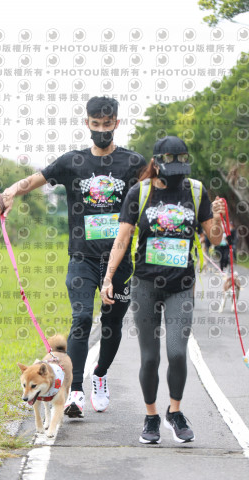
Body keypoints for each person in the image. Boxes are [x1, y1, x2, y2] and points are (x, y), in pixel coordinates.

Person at [0, 96, 146, 418]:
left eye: (107, 124)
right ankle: (75, 392)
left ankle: (99, 375)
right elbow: (34, 180)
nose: (102, 130)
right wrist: (8, 195)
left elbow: (159, 190)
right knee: (83, 319)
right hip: (82, 257)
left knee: (112, 324)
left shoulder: (133, 163)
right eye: (96, 124)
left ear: (117, 122)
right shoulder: (72, 162)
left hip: (120, 261)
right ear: (87, 123)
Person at [100, 136, 226, 444]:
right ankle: (151, 416)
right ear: (156, 163)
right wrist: (109, 278)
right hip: (144, 284)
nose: (177, 172)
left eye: (181, 164)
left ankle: (175, 411)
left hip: (181, 285)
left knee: (177, 353)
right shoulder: (139, 193)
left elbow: (216, 238)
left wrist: (218, 219)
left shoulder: (195, 191)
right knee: (150, 357)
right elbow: (123, 238)